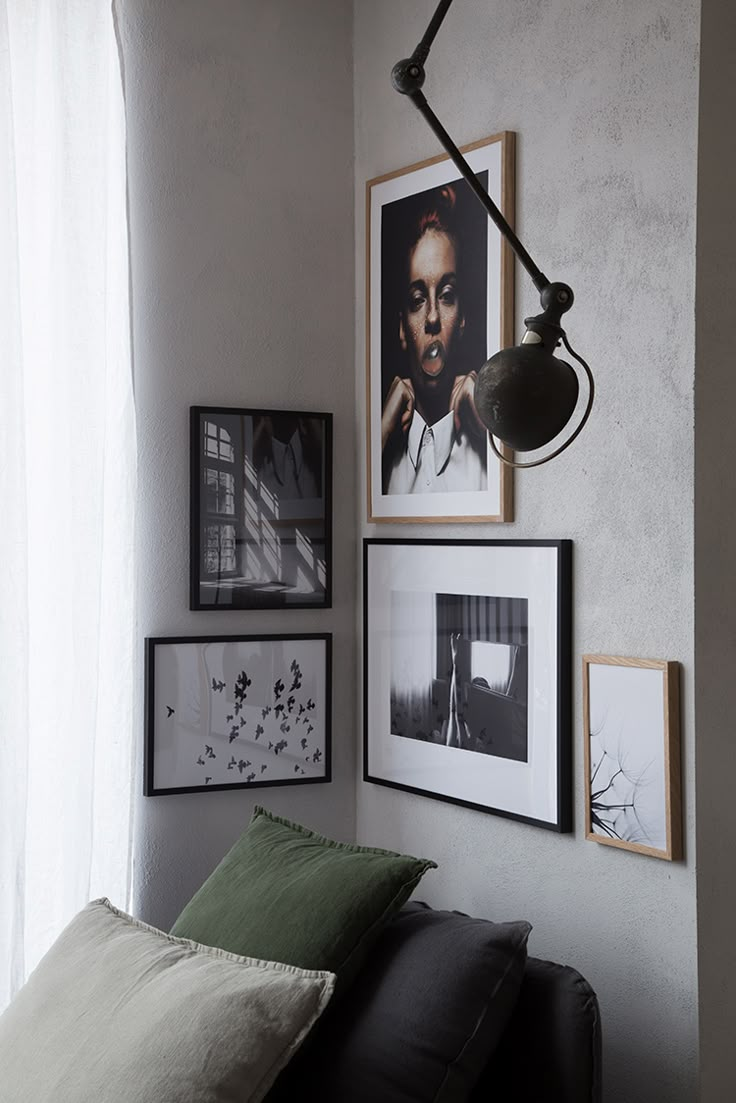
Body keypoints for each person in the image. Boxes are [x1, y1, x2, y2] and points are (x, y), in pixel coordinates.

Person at [381, 185, 487, 495]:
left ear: (463, 319)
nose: (431, 318)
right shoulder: (384, 458)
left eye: (447, 296)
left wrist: (488, 422)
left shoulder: (487, 460)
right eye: (417, 300)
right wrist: (381, 434)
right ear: (402, 329)